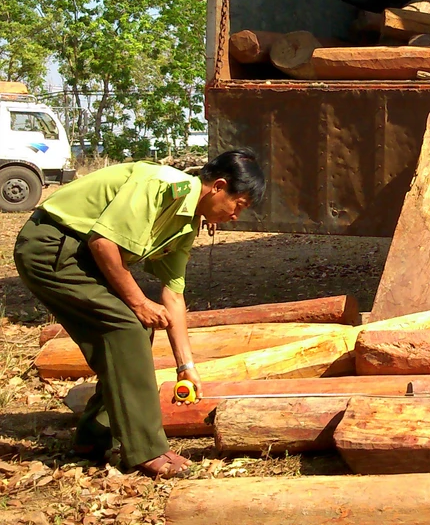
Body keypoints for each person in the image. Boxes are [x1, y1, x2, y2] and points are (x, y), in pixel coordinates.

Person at [14, 149, 265, 478]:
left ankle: (94, 436)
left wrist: (186, 367)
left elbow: (173, 294)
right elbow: (103, 244)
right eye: (238, 205)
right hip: (52, 244)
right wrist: (139, 303)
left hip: (81, 253)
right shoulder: (160, 185)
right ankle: (147, 449)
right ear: (218, 186)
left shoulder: (186, 223)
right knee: (128, 327)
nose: (235, 216)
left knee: (135, 329)